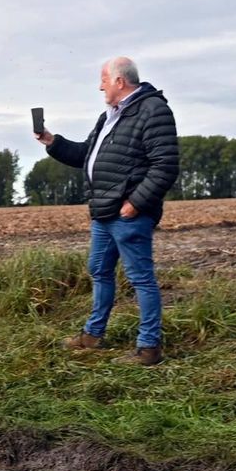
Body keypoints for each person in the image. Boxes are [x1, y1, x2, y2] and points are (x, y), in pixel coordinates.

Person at [34, 57, 178, 365]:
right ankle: (93, 335)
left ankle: (149, 347)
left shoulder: (154, 110)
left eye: (103, 79)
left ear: (119, 82)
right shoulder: (109, 116)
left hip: (129, 214)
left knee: (141, 278)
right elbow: (86, 154)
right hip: (103, 212)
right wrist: (51, 142)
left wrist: (136, 203)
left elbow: (165, 166)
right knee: (99, 271)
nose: (99, 85)